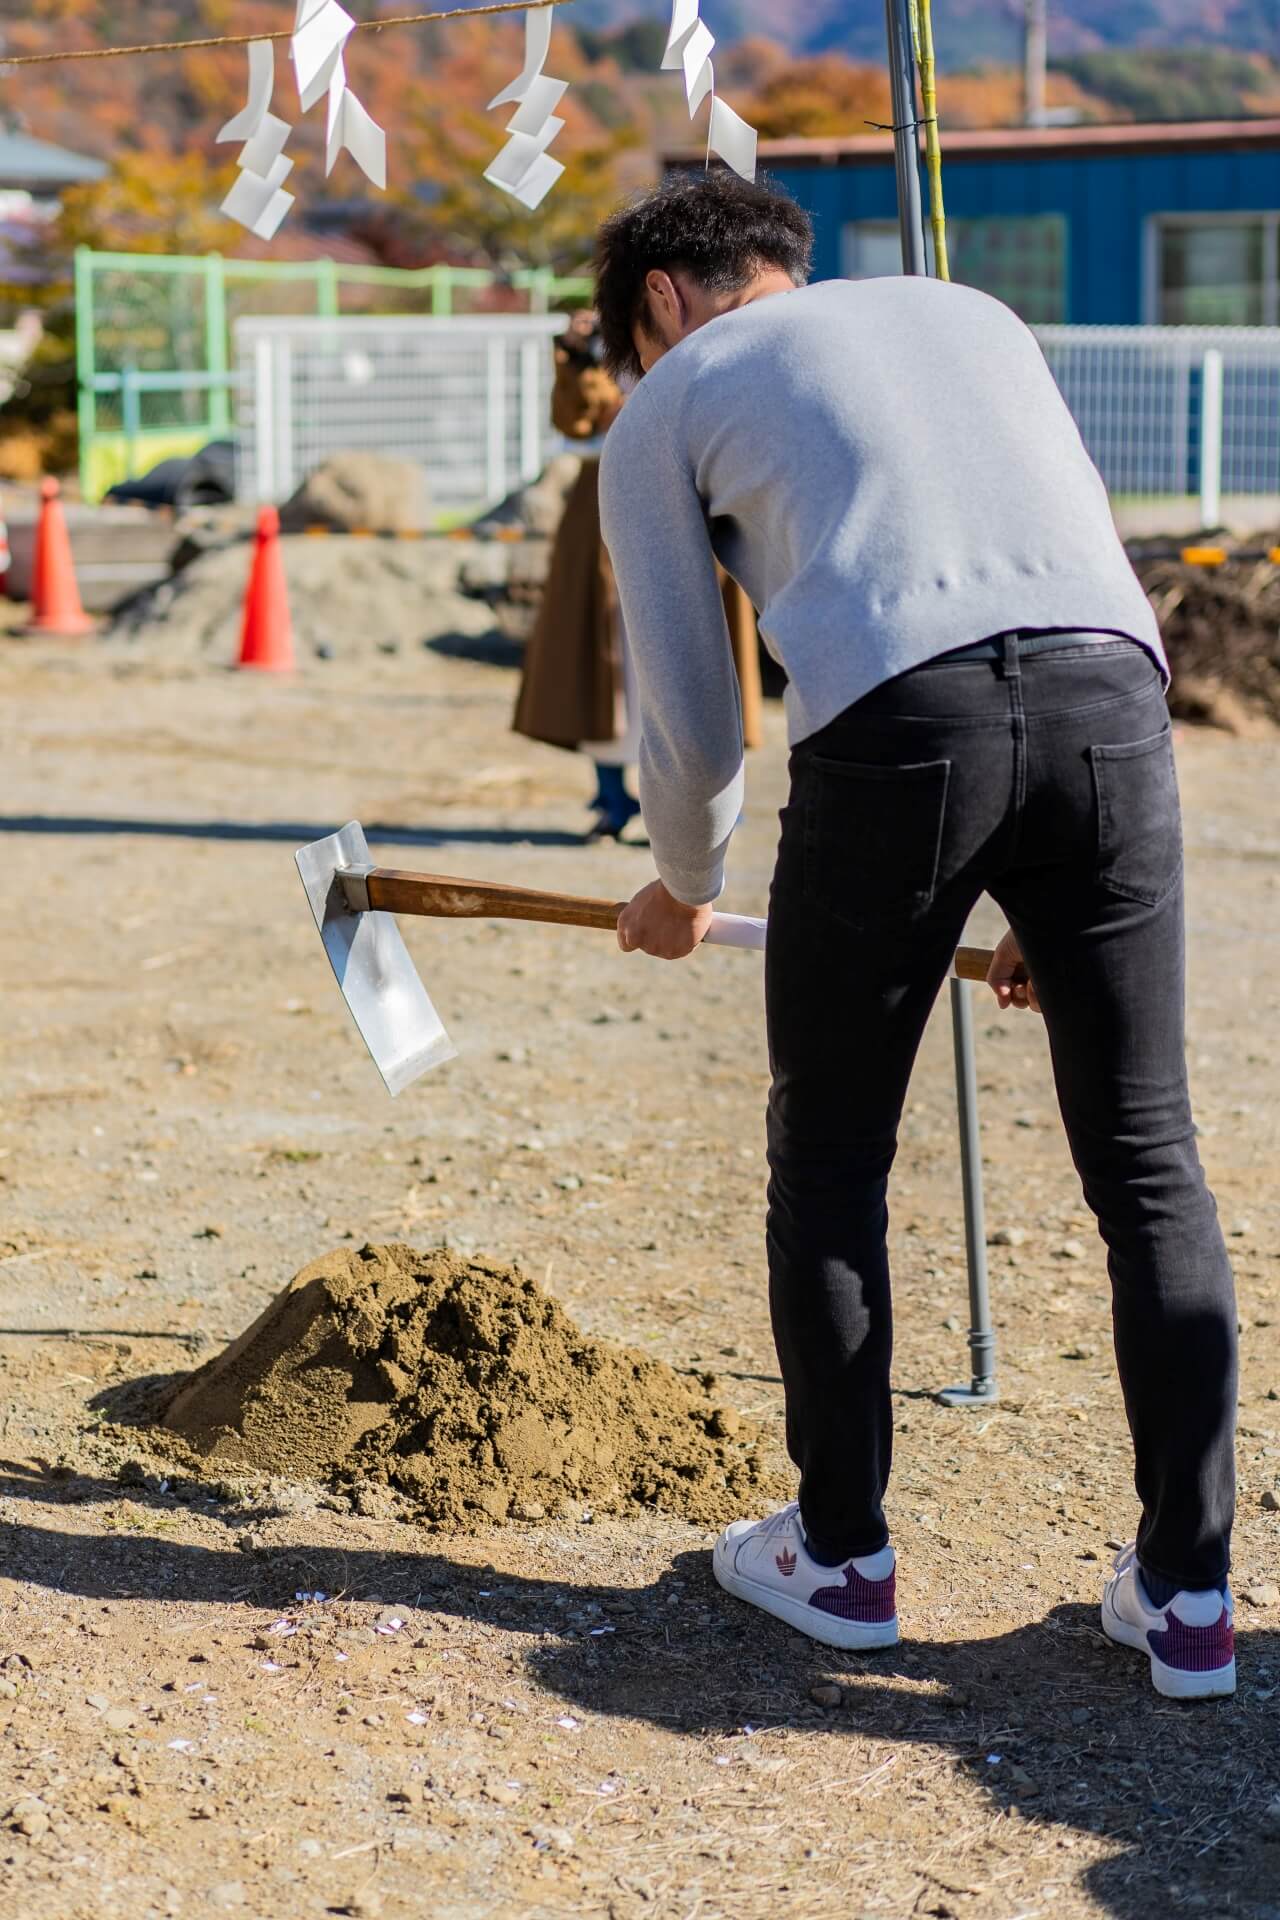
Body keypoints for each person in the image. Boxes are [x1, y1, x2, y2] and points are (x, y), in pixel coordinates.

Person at [596, 171, 1237, 1701]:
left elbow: (695, 706)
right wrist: (1034, 888)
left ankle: (842, 1555)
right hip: (1114, 706)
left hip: (901, 727)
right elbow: (1038, 574)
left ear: (666, 303)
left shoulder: (672, 397)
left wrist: (680, 885)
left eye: (633, 340)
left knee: (829, 1157)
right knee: (1148, 1156)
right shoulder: (973, 317)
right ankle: (1193, 1595)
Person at [514, 311, 764, 839]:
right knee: (606, 651)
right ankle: (612, 795)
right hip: (603, 499)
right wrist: (578, 355)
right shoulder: (599, 346)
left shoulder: (704, 325)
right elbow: (577, 420)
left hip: (692, 491)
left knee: (697, 643)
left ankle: (717, 800)